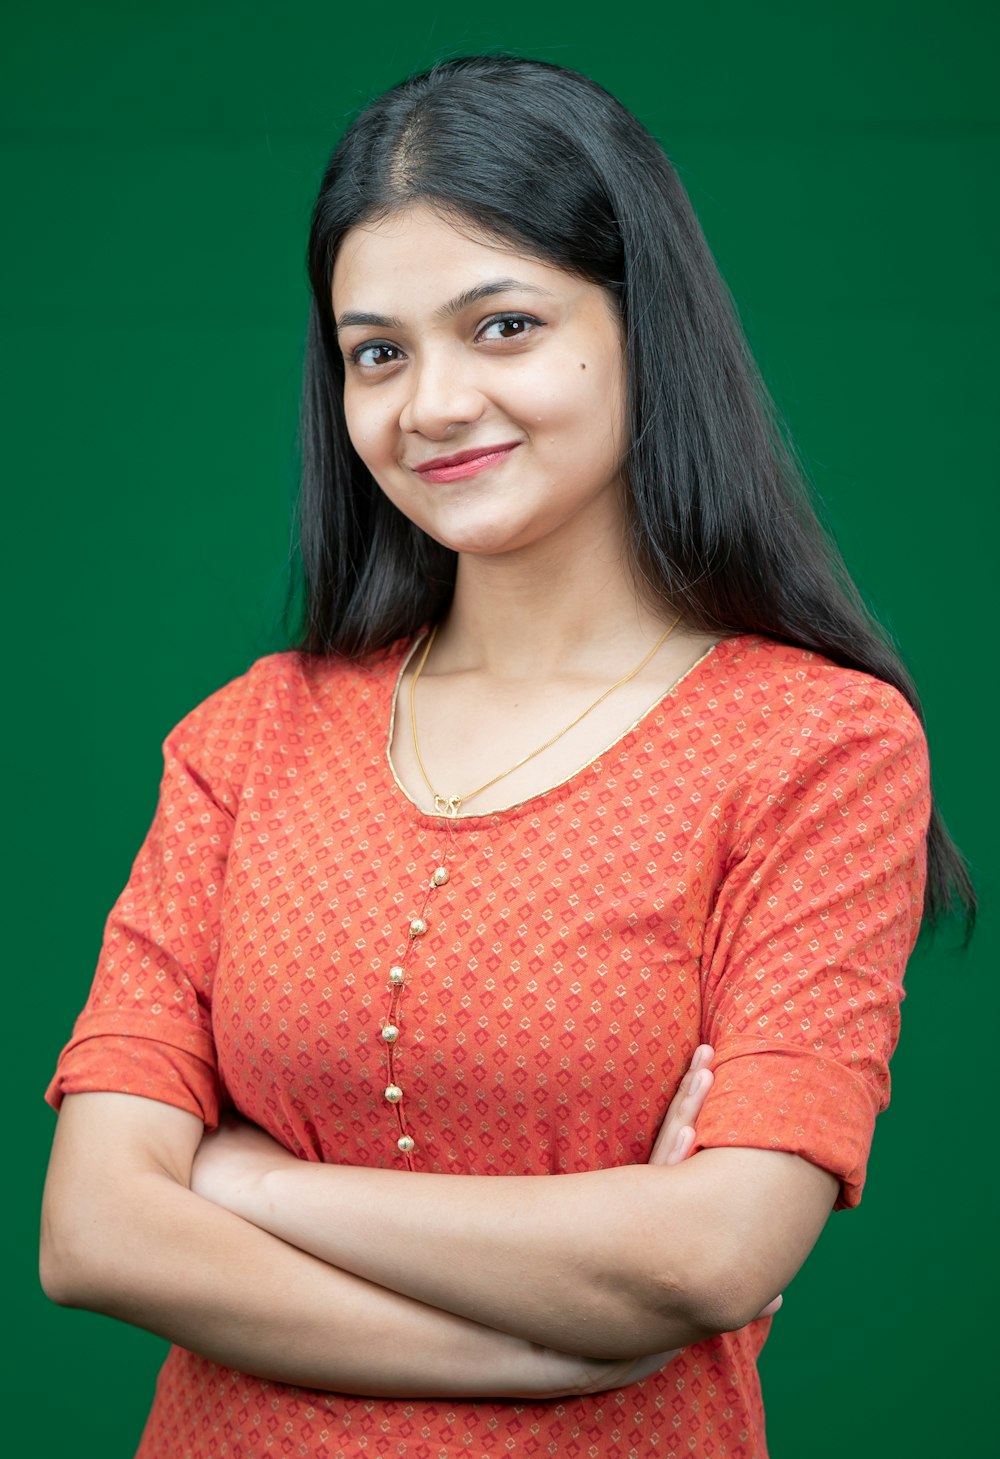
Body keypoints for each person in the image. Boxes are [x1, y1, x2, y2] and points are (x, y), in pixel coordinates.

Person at [40, 54, 972, 1459]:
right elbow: (95, 1230)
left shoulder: (819, 746)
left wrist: (245, 1183)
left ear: (643, 325)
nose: (431, 406)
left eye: (505, 325)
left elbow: (715, 1252)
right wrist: (550, 1354)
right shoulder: (249, 734)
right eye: (379, 351)